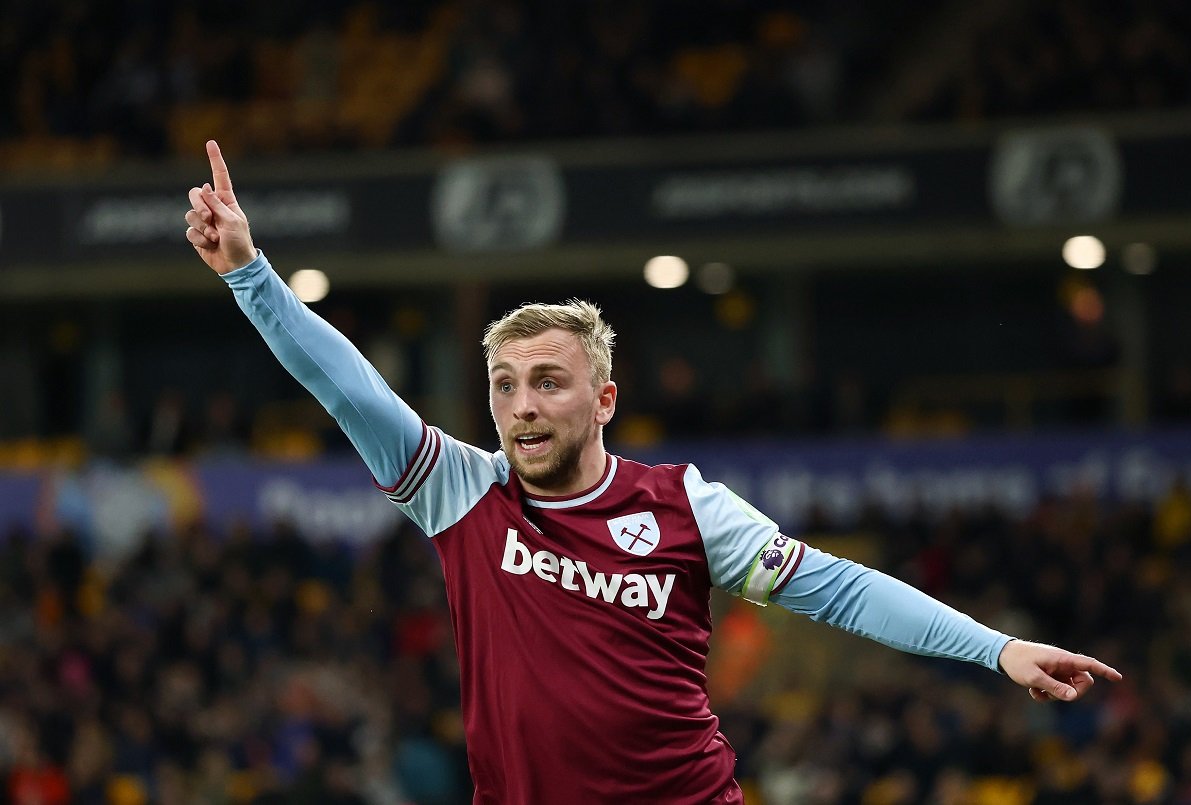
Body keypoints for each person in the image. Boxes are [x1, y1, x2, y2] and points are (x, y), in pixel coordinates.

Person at [184, 140, 1122, 804]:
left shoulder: (681, 504)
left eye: (549, 381)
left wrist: (996, 648)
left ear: (603, 399)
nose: (520, 404)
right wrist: (250, 274)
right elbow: (349, 390)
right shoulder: (460, 490)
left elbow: (837, 590)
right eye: (504, 384)